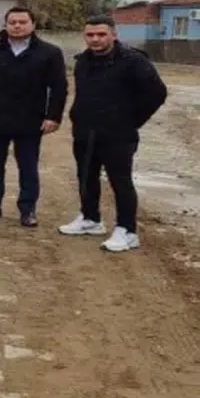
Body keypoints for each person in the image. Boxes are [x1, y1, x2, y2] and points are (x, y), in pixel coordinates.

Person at [58, 16, 167, 253]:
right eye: (90, 35)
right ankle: (90, 219)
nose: (95, 39)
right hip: (86, 131)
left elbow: (157, 93)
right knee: (86, 176)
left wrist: (132, 120)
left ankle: (127, 231)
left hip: (119, 134)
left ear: (113, 35)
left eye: (101, 34)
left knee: (121, 181)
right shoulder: (83, 61)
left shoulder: (133, 61)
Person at [0, 7, 67, 227]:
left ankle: (27, 210)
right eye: (13, 22)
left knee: (28, 165)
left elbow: (59, 87)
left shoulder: (49, 53)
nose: (17, 26)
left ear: (33, 25)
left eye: (22, 22)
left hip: (29, 119)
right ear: (5, 25)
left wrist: (53, 117)